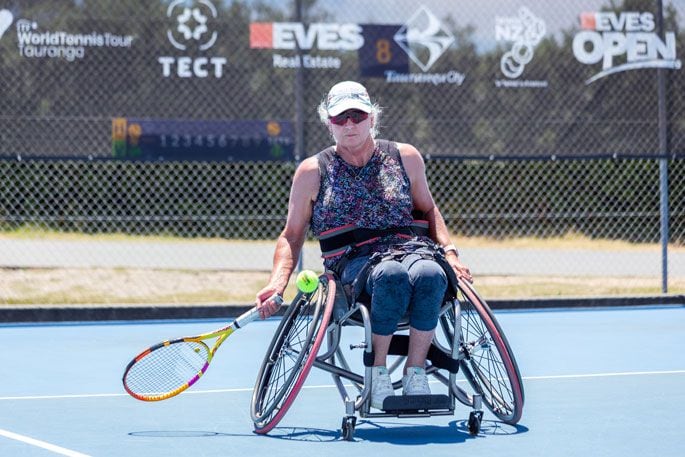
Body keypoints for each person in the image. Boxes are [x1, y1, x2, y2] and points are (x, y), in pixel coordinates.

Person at [255, 80, 472, 410]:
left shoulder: (405, 157)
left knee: (431, 273)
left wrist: (451, 254)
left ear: (372, 117)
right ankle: (377, 373)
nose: (349, 124)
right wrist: (276, 284)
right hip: (352, 266)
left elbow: (428, 209)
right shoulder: (313, 171)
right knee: (391, 276)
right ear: (330, 123)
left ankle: (416, 373)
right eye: (340, 118)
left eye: (357, 115)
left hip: (411, 251)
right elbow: (291, 235)